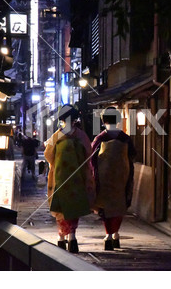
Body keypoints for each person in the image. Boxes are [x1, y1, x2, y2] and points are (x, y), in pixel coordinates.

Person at [44, 104, 94, 253]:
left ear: (62, 119)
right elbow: (88, 153)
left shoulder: (57, 136)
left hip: (60, 176)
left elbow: (48, 154)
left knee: (60, 208)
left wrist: (57, 164)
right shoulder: (81, 135)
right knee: (74, 206)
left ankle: (61, 238)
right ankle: (72, 237)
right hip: (77, 177)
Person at [91, 107, 136, 250]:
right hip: (123, 175)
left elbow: (91, 158)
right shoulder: (125, 138)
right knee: (120, 203)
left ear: (104, 121)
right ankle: (115, 233)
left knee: (105, 205)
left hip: (104, 177)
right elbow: (133, 155)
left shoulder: (100, 138)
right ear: (118, 121)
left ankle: (108, 235)